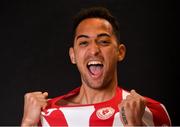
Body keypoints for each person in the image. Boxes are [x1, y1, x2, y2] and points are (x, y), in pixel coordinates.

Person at [21, 7, 171, 126]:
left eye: (104, 41)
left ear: (120, 52)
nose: (93, 50)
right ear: (73, 55)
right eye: (84, 42)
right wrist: (27, 124)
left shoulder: (152, 111)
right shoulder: (43, 113)